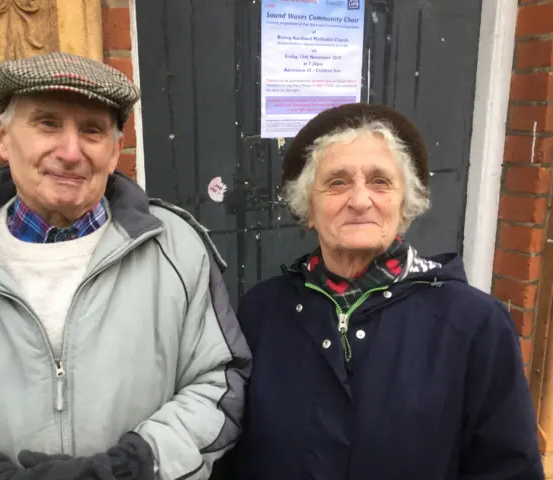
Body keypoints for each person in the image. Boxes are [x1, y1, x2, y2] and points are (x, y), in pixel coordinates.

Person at [0, 51, 251, 480]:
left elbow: (219, 382)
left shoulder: (178, 249)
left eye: (92, 130)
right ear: (1, 136)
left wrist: (140, 463)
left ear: (114, 151)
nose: (71, 152)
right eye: (48, 123)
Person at [212, 104, 543, 479]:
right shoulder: (263, 311)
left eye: (380, 182)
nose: (359, 200)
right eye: (337, 182)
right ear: (307, 207)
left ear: (405, 203)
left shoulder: (475, 325)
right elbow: (231, 454)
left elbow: (508, 470)